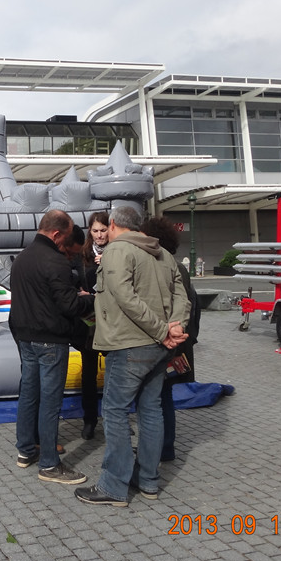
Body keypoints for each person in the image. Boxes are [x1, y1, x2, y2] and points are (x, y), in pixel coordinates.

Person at [74, 207, 189, 507]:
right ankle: (148, 480)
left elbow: (126, 298)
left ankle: (113, 487)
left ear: (112, 224)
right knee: (151, 410)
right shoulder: (164, 254)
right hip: (159, 347)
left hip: (130, 344)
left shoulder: (116, 251)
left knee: (115, 410)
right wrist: (175, 327)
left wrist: (163, 330)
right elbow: (181, 295)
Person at [9, 209, 93, 484]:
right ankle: (49, 464)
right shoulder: (55, 261)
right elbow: (69, 305)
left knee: (28, 394)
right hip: (50, 340)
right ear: (57, 234)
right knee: (50, 401)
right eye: (67, 236)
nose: (68, 244)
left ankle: (25, 450)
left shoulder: (21, 258)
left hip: (25, 337)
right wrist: (90, 300)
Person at [140, 216, 200, 462]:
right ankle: (164, 446)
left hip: (166, 341)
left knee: (158, 397)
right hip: (176, 340)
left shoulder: (165, 266)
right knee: (162, 396)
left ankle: (161, 447)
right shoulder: (176, 266)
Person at [77, 211, 110, 440]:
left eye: (103, 230)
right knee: (88, 373)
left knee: (114, 373)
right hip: (89, 322)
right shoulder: (82, 254)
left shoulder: (118, 251)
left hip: (113, 322)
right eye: (95, 230)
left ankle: (113, 418)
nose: (99, 235)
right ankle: (89, 420)